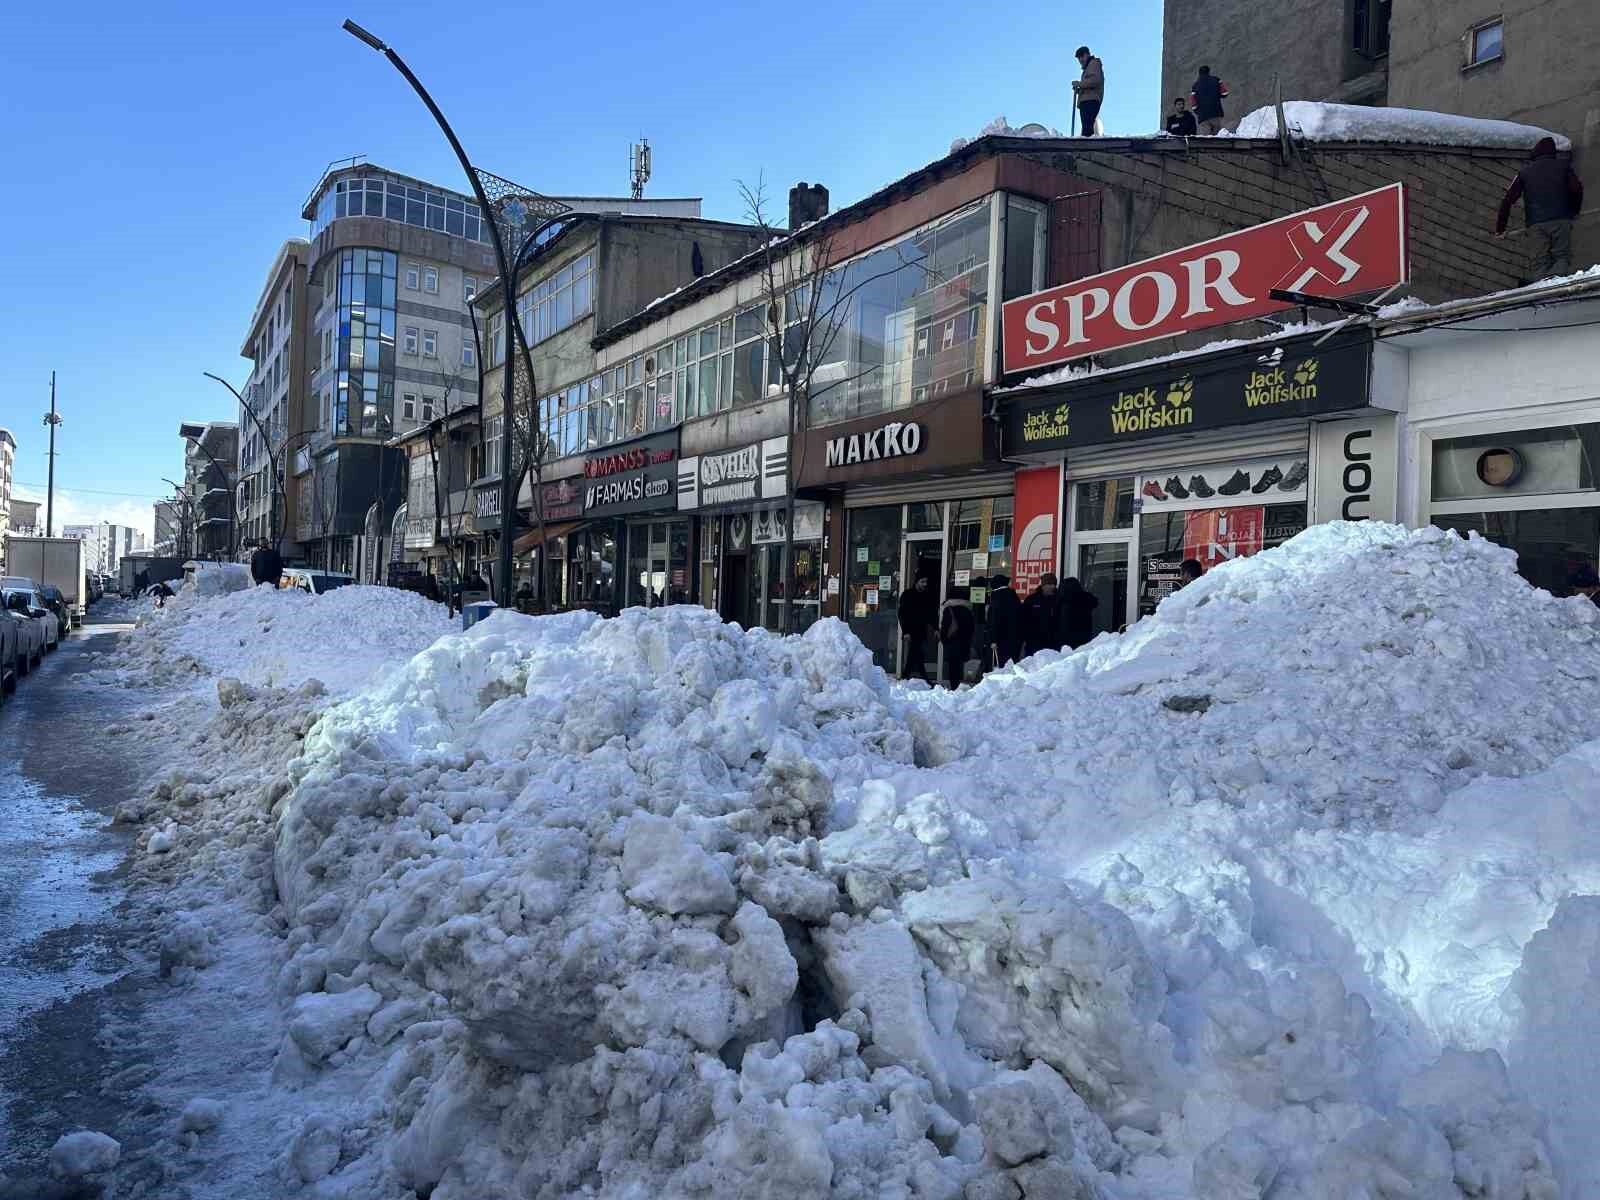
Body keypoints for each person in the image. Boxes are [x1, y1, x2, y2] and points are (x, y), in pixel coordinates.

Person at [1496, 136, 1585, 281]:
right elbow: (1577, 189)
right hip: (1561, 220)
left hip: (1536, 224)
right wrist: (1574, 211)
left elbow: (1507, 200)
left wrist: (1500, 228)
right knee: (1561, 256)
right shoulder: (1563, 167)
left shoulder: (1525, 172)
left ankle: (1541, 290)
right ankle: (1556, 286)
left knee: (1539, 262)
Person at [897, 575, 937, 682]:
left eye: (926, 582)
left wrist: (936, 628)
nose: (925, 584)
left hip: (921, 630)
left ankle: (907, 677)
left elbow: (930, 614)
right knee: (916, 653)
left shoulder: (926, 596)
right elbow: (902, 614)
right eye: (922, 581)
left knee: (915, 654)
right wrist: (906, 631)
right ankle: (923, 679)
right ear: (917, 582)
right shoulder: (907, 595)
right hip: (910, 630)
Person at [938, 586, 976, 689]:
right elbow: (971, 628)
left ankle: (954, 687)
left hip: (952, 642)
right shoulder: (967, 609)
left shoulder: (948, 609)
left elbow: (945, 626)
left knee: (952, 666)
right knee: (961, 664)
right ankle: (961, 685)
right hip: (964, 642)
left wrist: (943, 639)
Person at [986, 573, 1024, 667]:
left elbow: (995, 619)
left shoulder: (997, 597)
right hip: (1015, 638)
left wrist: (993, 639)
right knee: (1011, 665)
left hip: (1001, 640)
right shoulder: (1013, 596)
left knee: (1000, 666)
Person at [1022, 573, 1065, 655]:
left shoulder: (1060, 599)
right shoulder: (1031, 600)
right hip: (1034, 642)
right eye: (1049, 584)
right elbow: (1024, 619)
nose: (1052, 586)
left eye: (1054, 584)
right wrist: (1027, 637)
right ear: (1043, 585)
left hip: (1054, 643)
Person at [1060, 577, 1100, 649]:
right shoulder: (1086, 598)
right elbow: (1094, 603)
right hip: (1084, 635)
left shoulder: (1063, 600)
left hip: (1066, 637)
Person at [1072, 46, 1104, 135]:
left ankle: (1087, 146)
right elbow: (1089, 84)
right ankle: (1086, 145)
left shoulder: (1094, 64)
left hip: (1090, 101)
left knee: (1087, 128)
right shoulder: (1088, 67)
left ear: (1087, 55)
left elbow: (1095, 80)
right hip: (1087, 100)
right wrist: (1079, 90)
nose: (1080, 60)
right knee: (1086, 127)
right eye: (1079, 58)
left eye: (1082, 56)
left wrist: (1079, 84)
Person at [1189, 66, 1230, 135]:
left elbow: (1193, 105)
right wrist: (1216, 95)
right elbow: (1225, 93)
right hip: (1216, 113)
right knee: (1217, 140)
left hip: (1203, 117)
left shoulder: (1195, 86)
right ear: (1209, 72)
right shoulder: (1216, 80)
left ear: (1199, 73)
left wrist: (1198, 113)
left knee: (1206, 142)